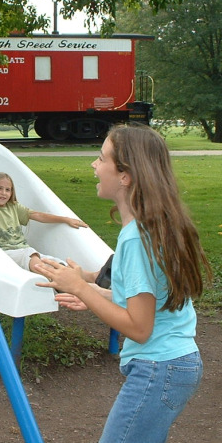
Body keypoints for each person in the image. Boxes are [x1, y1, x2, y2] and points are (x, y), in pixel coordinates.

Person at [35, 124, 212, 443]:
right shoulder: (155, 226)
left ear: (125, 176)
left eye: (101, 158)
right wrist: (92, 295)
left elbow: (139, 327)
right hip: (175, 363)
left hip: (159, 367)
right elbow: (147, 300)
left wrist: (82, 288)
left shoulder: (135, 239)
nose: (94, 164)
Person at [0, 172, 88, 272]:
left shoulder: (13, 207)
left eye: (7, 190)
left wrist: (65, 219)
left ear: (11, 193)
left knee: (52, 261)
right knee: (33, 258)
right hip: (6, 252)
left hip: (23, 249)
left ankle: (90, 277)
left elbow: (38, 215)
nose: (3, 193)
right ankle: (60, 282)